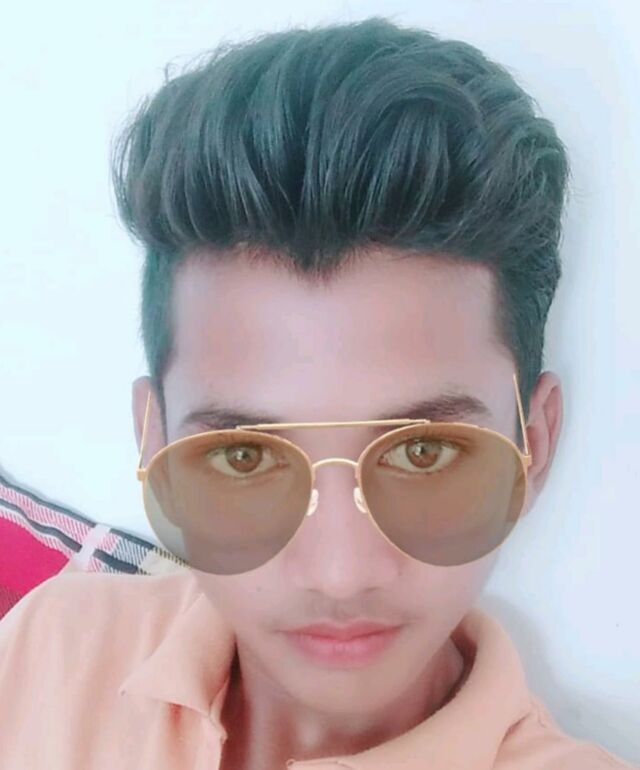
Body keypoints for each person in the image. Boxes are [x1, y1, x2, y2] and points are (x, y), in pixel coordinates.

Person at [0, 16, 634, 770]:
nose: (341, 574)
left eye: (424, 453)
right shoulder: (51, 643)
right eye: (242, 456)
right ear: (154, 440)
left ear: (535, 446)